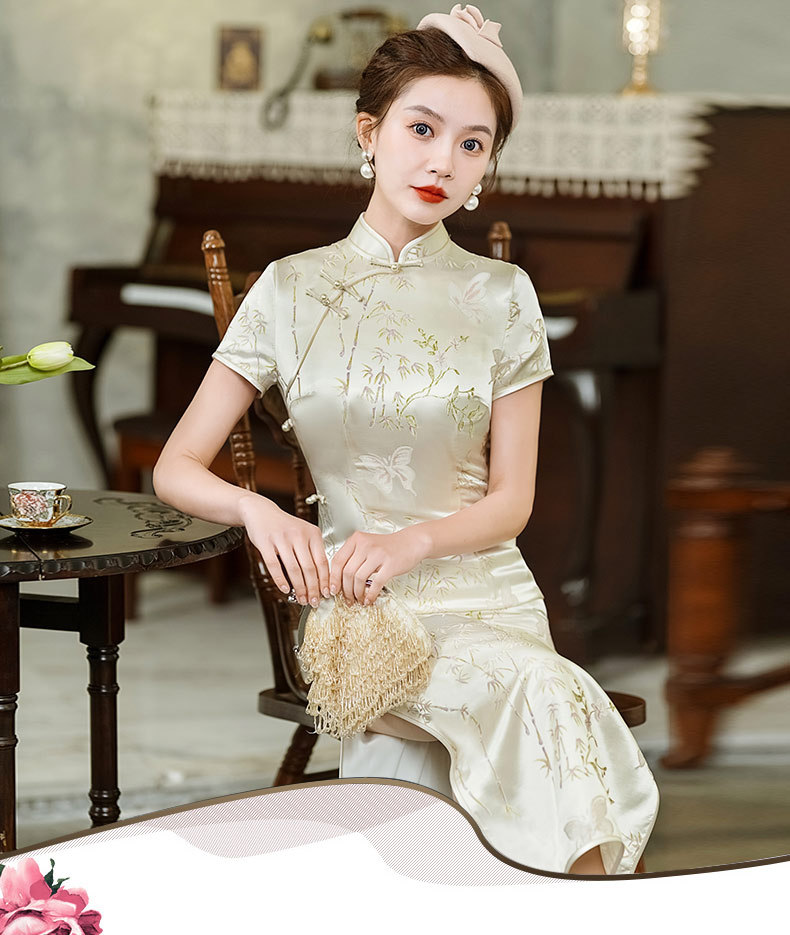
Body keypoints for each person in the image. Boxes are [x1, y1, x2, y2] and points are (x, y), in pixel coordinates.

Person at [152, 3, 660, 876]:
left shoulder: (504, 295)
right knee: (552, 696)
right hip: (359, 608)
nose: (442, 162)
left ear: (488, 164)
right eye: (422, 128)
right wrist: (262, 513)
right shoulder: (291, 289)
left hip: (489, 597)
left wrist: (414, 541)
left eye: (472, 143)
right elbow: (175, 466)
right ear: (370, 132)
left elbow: (512, 502)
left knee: (539, 688)